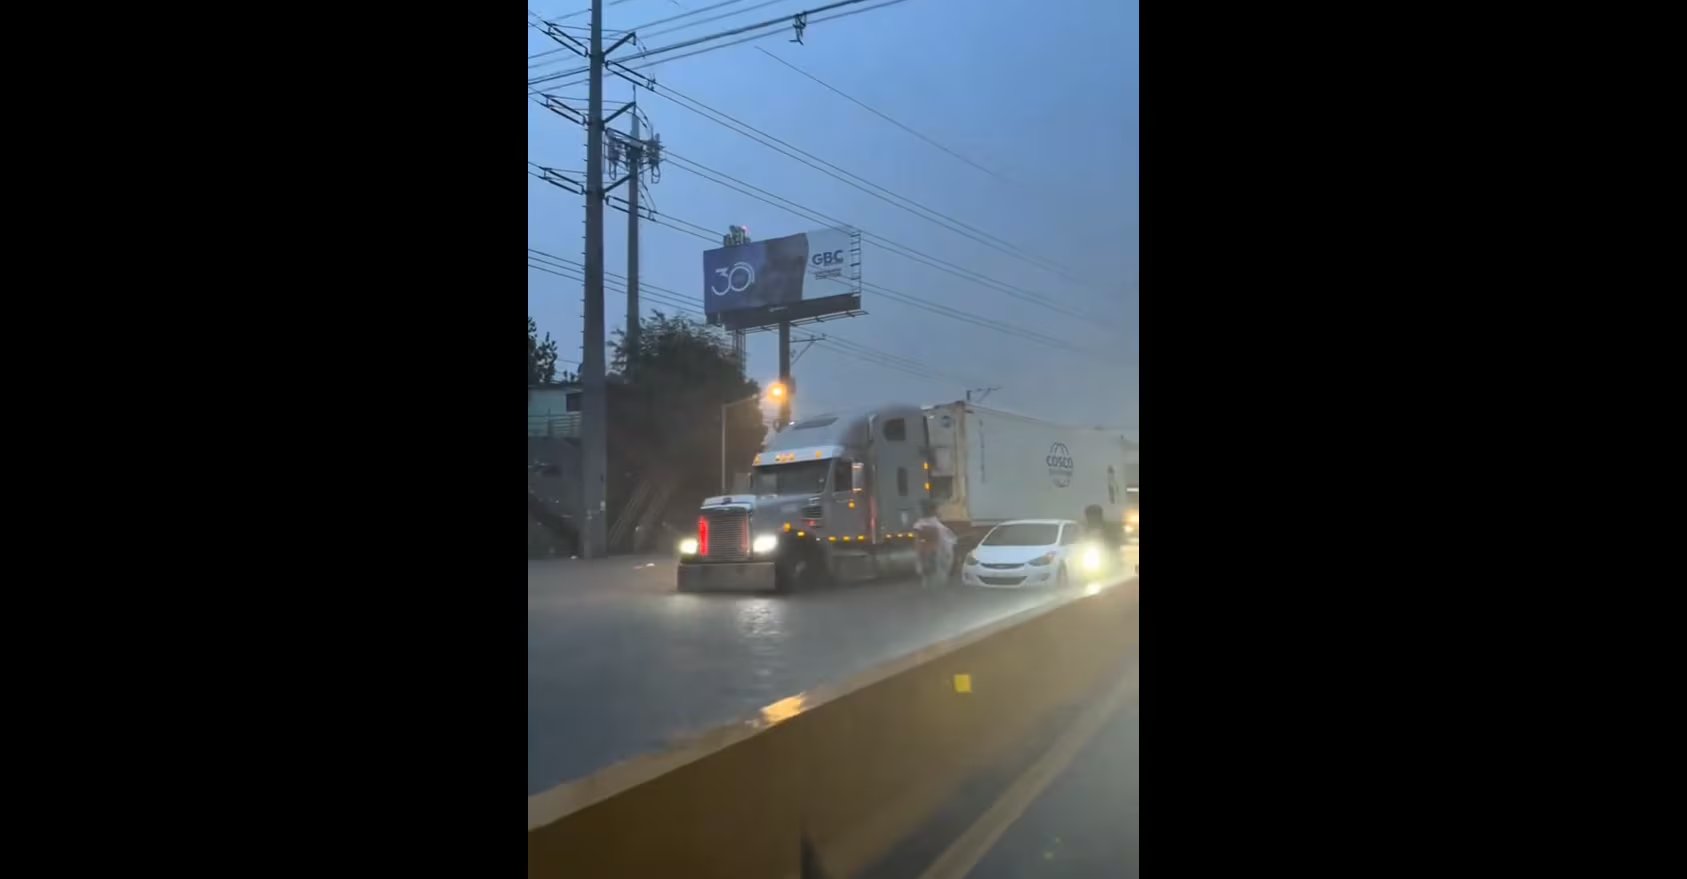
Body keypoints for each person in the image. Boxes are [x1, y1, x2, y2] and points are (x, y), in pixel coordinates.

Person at [913, 500, 956, 588]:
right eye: (936, 509)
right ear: (933, 510)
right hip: (936, 552)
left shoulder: (919, 524)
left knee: (928, 573)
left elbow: (917, 541)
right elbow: (947, 543)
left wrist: (918, 551)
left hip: (926, 551)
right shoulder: (938, 526)